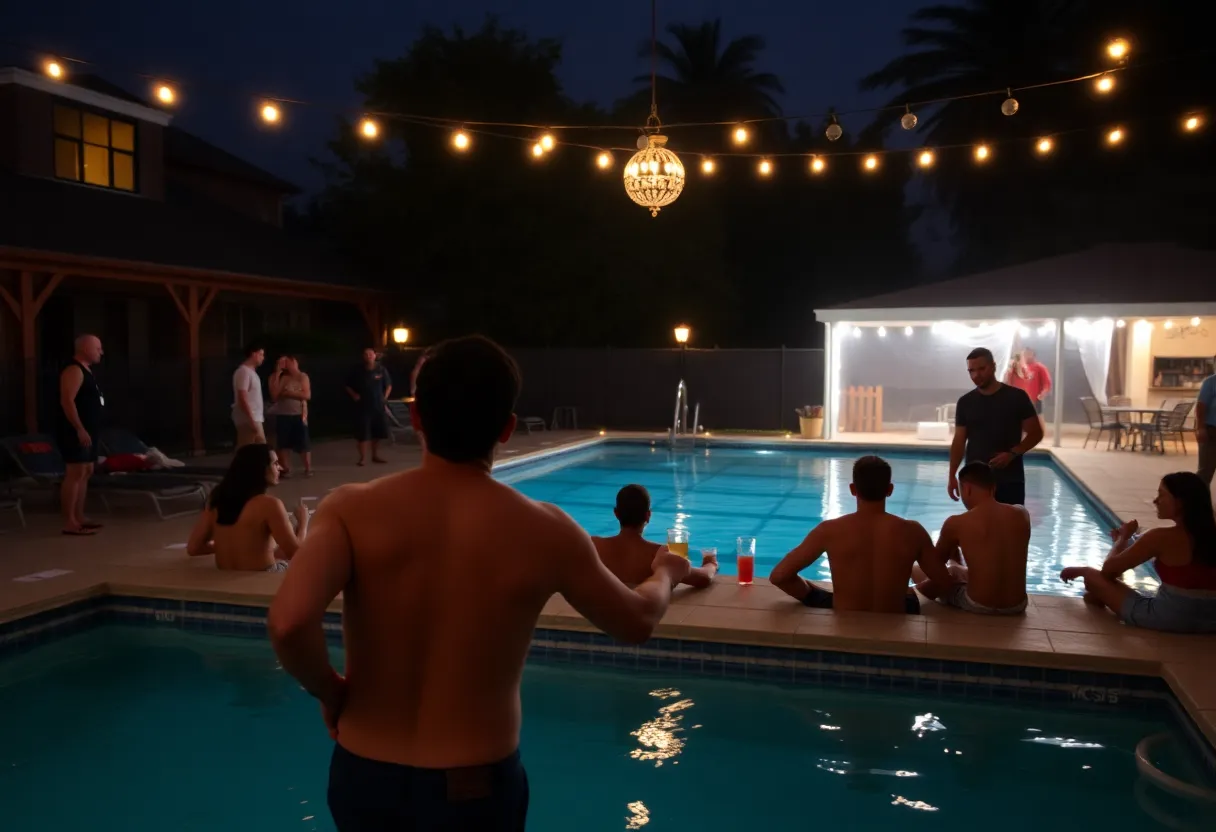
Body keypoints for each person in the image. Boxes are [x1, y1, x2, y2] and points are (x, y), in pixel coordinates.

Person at [267, 335, 690, 831]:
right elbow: (636, 622)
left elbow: (291, 623)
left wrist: (330, 692)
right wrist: (665, 573)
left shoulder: (348, 509)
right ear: (508, 429)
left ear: (419, 418)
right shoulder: (544, 529)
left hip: (365, 773)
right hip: (474, 787)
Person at [769, 456, 954, 615]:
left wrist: (816, 595)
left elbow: (780, 576)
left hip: (844, 614)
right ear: (890, 490)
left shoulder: (829, 531)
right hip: (896, 615)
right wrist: (917, 592)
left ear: (852, 489)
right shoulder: (913, 531)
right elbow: (944, 582)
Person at [1060, 472, 1216, 633]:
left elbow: (1108, 571)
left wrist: (1122, 539)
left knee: (1092, 577)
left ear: (1180, 502)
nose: (1155, 501)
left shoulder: (1160, 537)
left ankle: (1096, 595)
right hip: (1212, 622)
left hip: (1168, 619)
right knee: (1097, 592)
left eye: (1162, 495)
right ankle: (1097, 597)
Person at [915, 461, 1031, 615]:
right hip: (1018, 604)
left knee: (918, 570)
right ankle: (955, 567)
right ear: (993, 488)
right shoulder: (1022, 514)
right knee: (956, 569)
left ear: (967, 489)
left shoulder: (956, 523)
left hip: (978, 604)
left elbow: (934, 568)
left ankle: (910, 597)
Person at [186, 443, 309, 572]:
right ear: (260, 469)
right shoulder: (269, 504)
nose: (281, 468)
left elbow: (194, 548)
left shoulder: (217, 499)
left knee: (274, 547)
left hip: (227, 574)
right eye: (275, 463)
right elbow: (296, 555)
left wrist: (233, 546)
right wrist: (303, 524)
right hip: (263, 576)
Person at [949, 347, 1044, 506]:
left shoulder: (1016, 398)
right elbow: (959, 441)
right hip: (975, 481)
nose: (976, 375)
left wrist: (1012, 454)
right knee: (978, 528)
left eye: (981, 369)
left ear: (993, 366)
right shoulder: (965, 402)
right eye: (971, 371)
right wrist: (952, 475)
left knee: (1010, 527)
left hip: (1010, 479)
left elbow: (1036, 433)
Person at [592, 484, 718, 588]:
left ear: (616, 513)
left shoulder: (595, 546)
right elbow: (703, 578)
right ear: (648, 516)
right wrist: (711, 563)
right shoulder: (660, 555)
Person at [56, 334, 105, 536]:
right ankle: (70, 521)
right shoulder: (74, 370)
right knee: (75, 473)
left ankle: (80, 516)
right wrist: (79, 428)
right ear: (85, 348)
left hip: (89, 430)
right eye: (97, 348)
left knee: (86, 471)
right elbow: (67, 400)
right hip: (77, 431)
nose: (101, 352)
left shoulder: (87, 371)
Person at [345, 347, 392, 466]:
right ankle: (363, 458)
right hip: (363, 406)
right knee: (363, 433)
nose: (369, 356)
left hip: (378, 405)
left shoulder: (381, 370)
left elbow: (388, 385)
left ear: (375, 356)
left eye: (370, 354)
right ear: (363, 356)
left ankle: (375, 455)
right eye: (366, 354)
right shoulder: (357, 370)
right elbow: (347, 385)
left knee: (378, 432)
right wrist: (354, 395)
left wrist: (384, 397)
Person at [269, 355, 313, 478]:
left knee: (304, 443)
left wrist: (289, 393)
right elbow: (275, 395)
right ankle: (287, 468)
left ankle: (308, 468)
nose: (286, 365)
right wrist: (278, 373)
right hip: (283, 414)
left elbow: (307, 394)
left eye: (288, 362)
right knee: (284, 443)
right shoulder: (283, 378)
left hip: (299, 413)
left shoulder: (302, 377)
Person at [232, 343, 266, 447]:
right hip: (249, 419)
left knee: (258, 451)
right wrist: (251, 420)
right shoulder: (244, 372)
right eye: (261, 354)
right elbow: (242, 397)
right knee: (247, 451)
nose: (263, 358)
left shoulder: (251, 373)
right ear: (254, 354)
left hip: (255, 418)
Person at [1017, 347, 1053, 416]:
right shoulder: (1020, 368)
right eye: (1024, 354)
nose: (1025, 356)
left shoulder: (1040, 367)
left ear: (1033, 354)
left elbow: (1047, 383)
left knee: (1037, 420)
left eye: (1027, 353)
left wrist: (1043, 393)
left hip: (1035, 400)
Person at [1197, 357, 1215, 486]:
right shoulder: (1211, 382)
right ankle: (1200, 503)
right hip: (1212, 431)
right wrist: (1201, 428)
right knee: (1205, 471)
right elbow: (1201, 405)